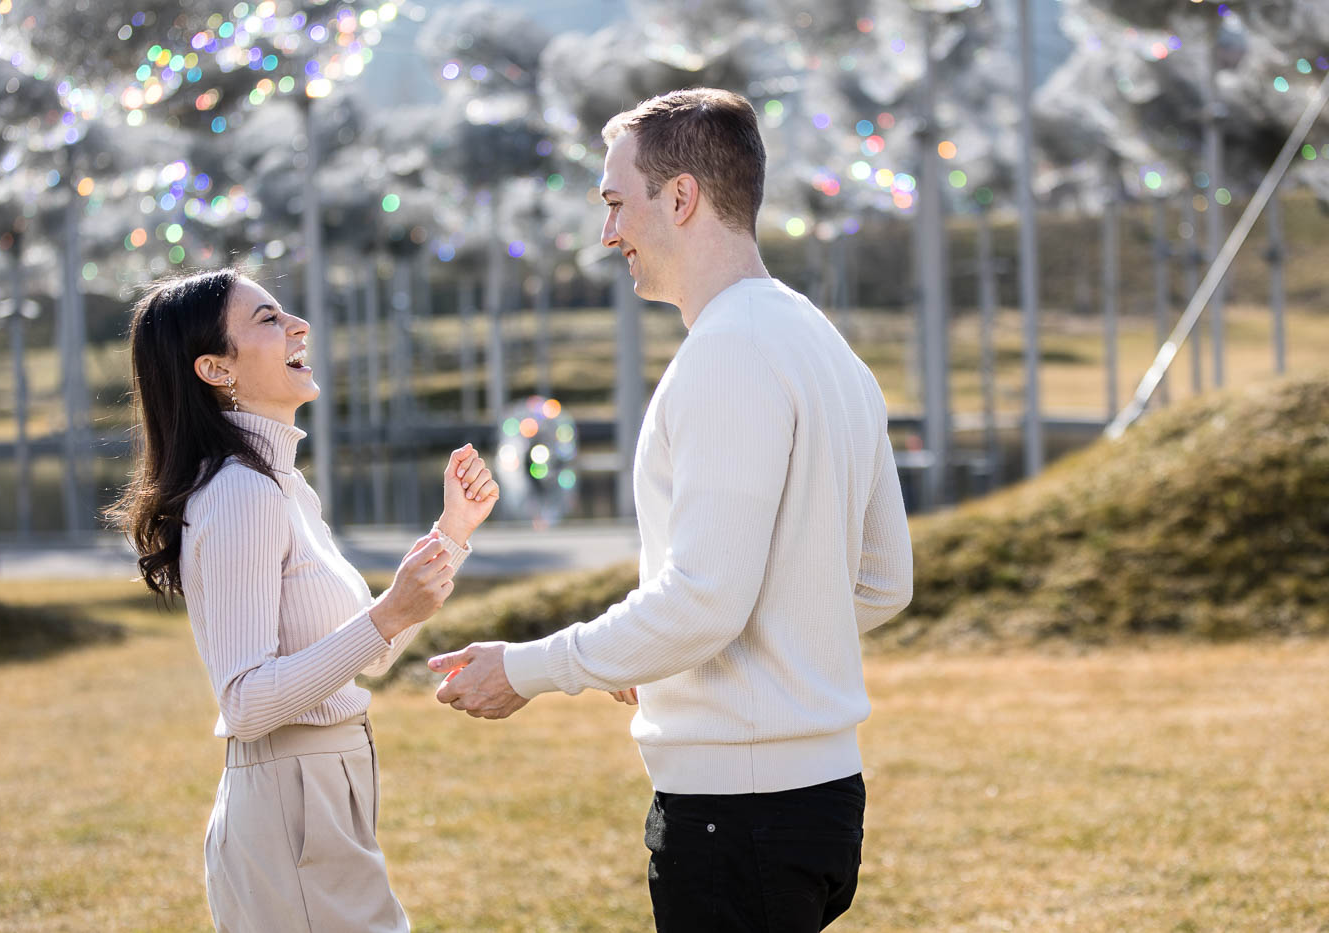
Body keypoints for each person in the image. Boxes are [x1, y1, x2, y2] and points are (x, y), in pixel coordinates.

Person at [428, 88, 913, 931]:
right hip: (820, 799)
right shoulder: (822, 344)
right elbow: (881, 580)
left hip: (739, 813)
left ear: (681, 197)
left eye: (617, 203)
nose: (607, 233)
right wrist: (665, 657)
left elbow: (704, 601)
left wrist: (529, 668)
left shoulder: (728, 354)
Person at [109, 268, 499, 933]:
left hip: (325, 793)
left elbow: (364, 656)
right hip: (292, 806)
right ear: (214, 368)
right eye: (267, 319)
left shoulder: (281, 487)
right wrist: (390, 612)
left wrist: (453, 533)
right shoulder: (243, 493)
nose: (299, 326)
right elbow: (248, 700)